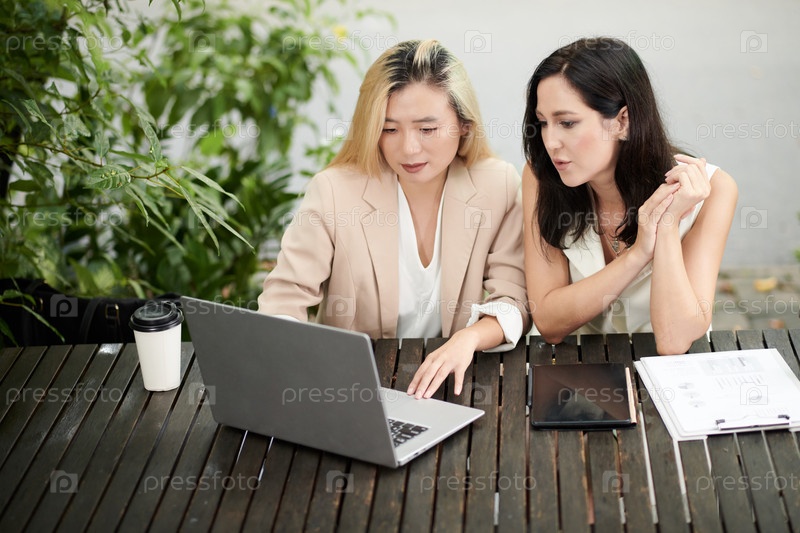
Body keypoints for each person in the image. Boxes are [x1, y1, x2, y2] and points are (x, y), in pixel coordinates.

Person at [259, 39, 530, 398]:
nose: (409, 148)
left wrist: (469, 338)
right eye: (389, 129)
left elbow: (514, 299)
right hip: (350, 388)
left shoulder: (497, 184)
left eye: (427, 129)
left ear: (464, 124)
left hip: (449, 386)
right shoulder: (335, 190)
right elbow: (285, 298)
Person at [521, 37, 738, 355]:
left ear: (622, 121)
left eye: (567, 123)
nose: (550, 142)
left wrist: (666, 225)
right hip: (576, 366)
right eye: (543, 123)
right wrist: (637, 255)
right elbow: (549, 321)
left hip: (671, 374)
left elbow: (675, 340)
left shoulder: (713, 190)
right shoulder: (541, 176)